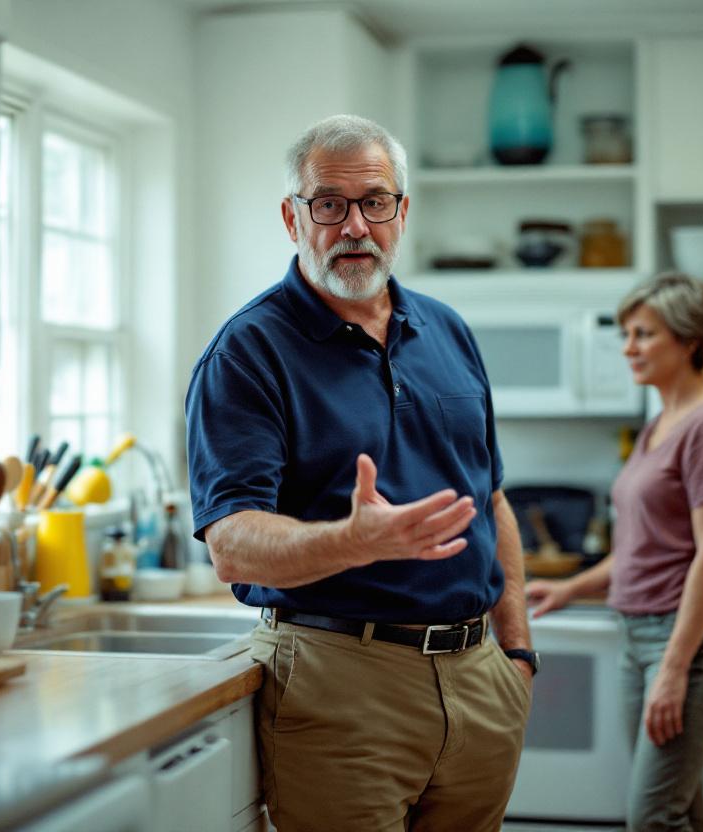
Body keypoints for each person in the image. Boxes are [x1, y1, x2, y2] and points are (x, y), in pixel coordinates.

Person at [185, 114, 534, 831]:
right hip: (339, 679)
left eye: (375, 202)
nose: (355, 226)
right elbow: (232, 543)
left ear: (401, 212)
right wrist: (354, 541)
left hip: (478, 679)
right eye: (329, 204)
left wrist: (518, 650)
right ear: (293, 218)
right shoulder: (249, 351)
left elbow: (489, 495)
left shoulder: (446, 330)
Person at [526, 273, 703, 831]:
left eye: (643, 334)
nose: (627, 347)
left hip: (691, 641)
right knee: (679, 809)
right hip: (641, 635)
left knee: (652, 815)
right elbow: (643, 548)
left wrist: (675, 669)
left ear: (689, 340)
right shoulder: (661, 423)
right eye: (627, 334)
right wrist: (571, 587)